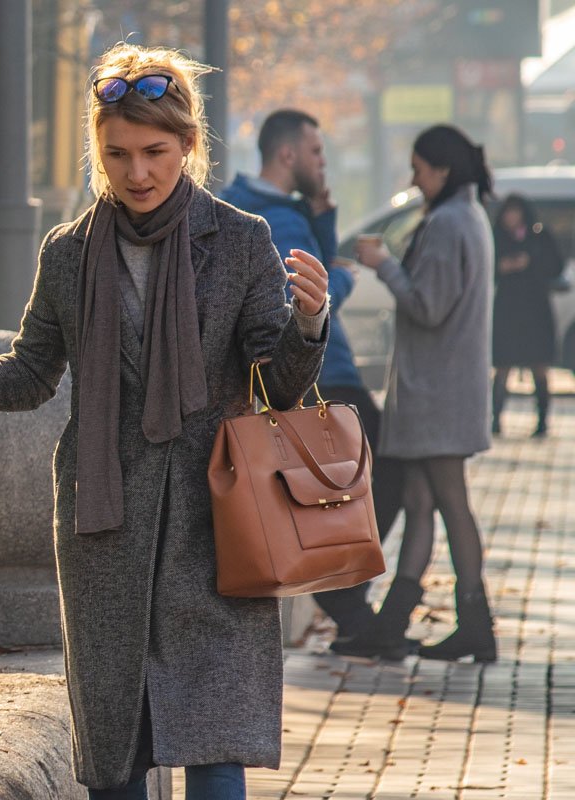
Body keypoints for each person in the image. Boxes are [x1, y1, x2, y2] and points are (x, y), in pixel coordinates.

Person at [0, 43, 330, 800]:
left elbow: (279, 387)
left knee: (214, 749)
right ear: (96, 151)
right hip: (106, 533)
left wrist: (309, 322)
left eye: (156, 151)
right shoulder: (68, 254)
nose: (137, 172)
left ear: (189, 146)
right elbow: (32, 375)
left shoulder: (238, 242)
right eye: (117, 153)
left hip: (215, 523)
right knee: (117, 759)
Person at [219, 109, 404, 648]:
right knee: (366, 478)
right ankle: (345, 601)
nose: (324, 164)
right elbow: (300, 301)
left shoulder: (285, 212)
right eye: (317, 153)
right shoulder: (266, 219)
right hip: (318, 371)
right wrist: (340, 284)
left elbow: (314, 259)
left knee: (352, 483)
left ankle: (349, 603)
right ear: (288, 155)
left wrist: (323, 215)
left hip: (326, 368)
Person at [348, 124, 497, 663]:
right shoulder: (467, 216)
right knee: (419, 501)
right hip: (445, 389)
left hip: (438, 393)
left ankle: (475, 622)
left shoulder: (449, 223)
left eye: (418, 168)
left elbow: (428, 306)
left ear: (442, 169)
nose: (414, 179)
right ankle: (393, 622)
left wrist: (383, 264)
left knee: (450, 504)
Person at [491, 193, 564, 438]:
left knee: (539, 366)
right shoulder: (497, 238)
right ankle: (496, 418)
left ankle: (542, 420)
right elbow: (485, 269)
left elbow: (556, 266)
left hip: (535, 309)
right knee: (502, 366)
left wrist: (530, 261)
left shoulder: (539, 237)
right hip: (508, 310)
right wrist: (503, 267)